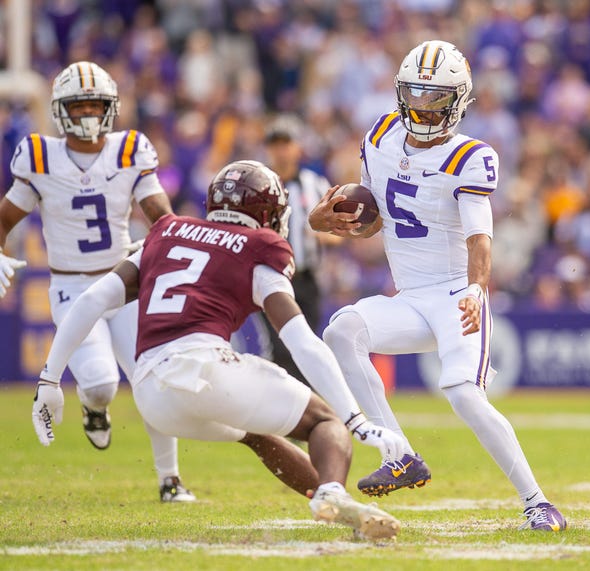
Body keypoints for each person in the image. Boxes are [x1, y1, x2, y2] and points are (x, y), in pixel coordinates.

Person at [31, 159, 404, 540]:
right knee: (324, 421)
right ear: (265, 213)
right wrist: (356, 420)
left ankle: (337, 504)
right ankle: (332, 492)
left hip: (152, 396)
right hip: (203, 368)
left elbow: (90, 301)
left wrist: (50, 379)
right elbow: (301, 340)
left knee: (256, 433)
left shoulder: (167, 231)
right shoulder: (260, 246)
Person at [308, 40, 567, 532]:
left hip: (455, 296)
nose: (424, 107)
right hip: (410, 297)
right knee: (341, 330)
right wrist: (328, 221)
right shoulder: (380, 135)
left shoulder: (470, 156)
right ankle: (399, 453)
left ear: (460, 100)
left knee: (463, 394)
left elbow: (480, 239)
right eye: (416, 94)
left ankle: (537, 501)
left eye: (436, 97)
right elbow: (374, 220)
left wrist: (475, 290)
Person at [0, 61, 196, 502]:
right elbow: (6, 217)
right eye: (79, 105)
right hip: (72, 286)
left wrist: (173, 247)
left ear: (112, 108)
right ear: (60, 110)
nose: (88, 114)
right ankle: (94, 406)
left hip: (124, 281)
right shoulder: (39, 156)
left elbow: (160, 215)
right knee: (102, 384)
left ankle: (170, 479)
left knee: (152, 382)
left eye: (96, 104)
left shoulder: (130, 150)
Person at [262, 115, 341, 385]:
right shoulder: (260, 182)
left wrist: (320, 235)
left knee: (307, 344)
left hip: (307, 277)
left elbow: (338, 233)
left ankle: (300, 404)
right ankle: (288, 404)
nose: (281, 151)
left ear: (298, 147)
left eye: (286, 143)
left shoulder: (314, 183)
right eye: (276, 144)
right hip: (272, 276)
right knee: (281, 346)